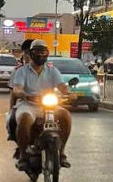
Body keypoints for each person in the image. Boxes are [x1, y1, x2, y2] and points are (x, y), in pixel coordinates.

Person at [12, 40, 72, 168]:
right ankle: (23, 155)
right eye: (37, 52)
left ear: (47, 54)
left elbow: (62, 86)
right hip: (28, 104)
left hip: (49, 105)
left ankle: (62, 153)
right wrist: (23, 94)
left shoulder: (52, 71)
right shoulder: (22, 71)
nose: (40, 55)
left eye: (43, 52)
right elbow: (17, 88)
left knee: (66, 115)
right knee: (23, 119)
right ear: (31, 53)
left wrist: (69, 92)